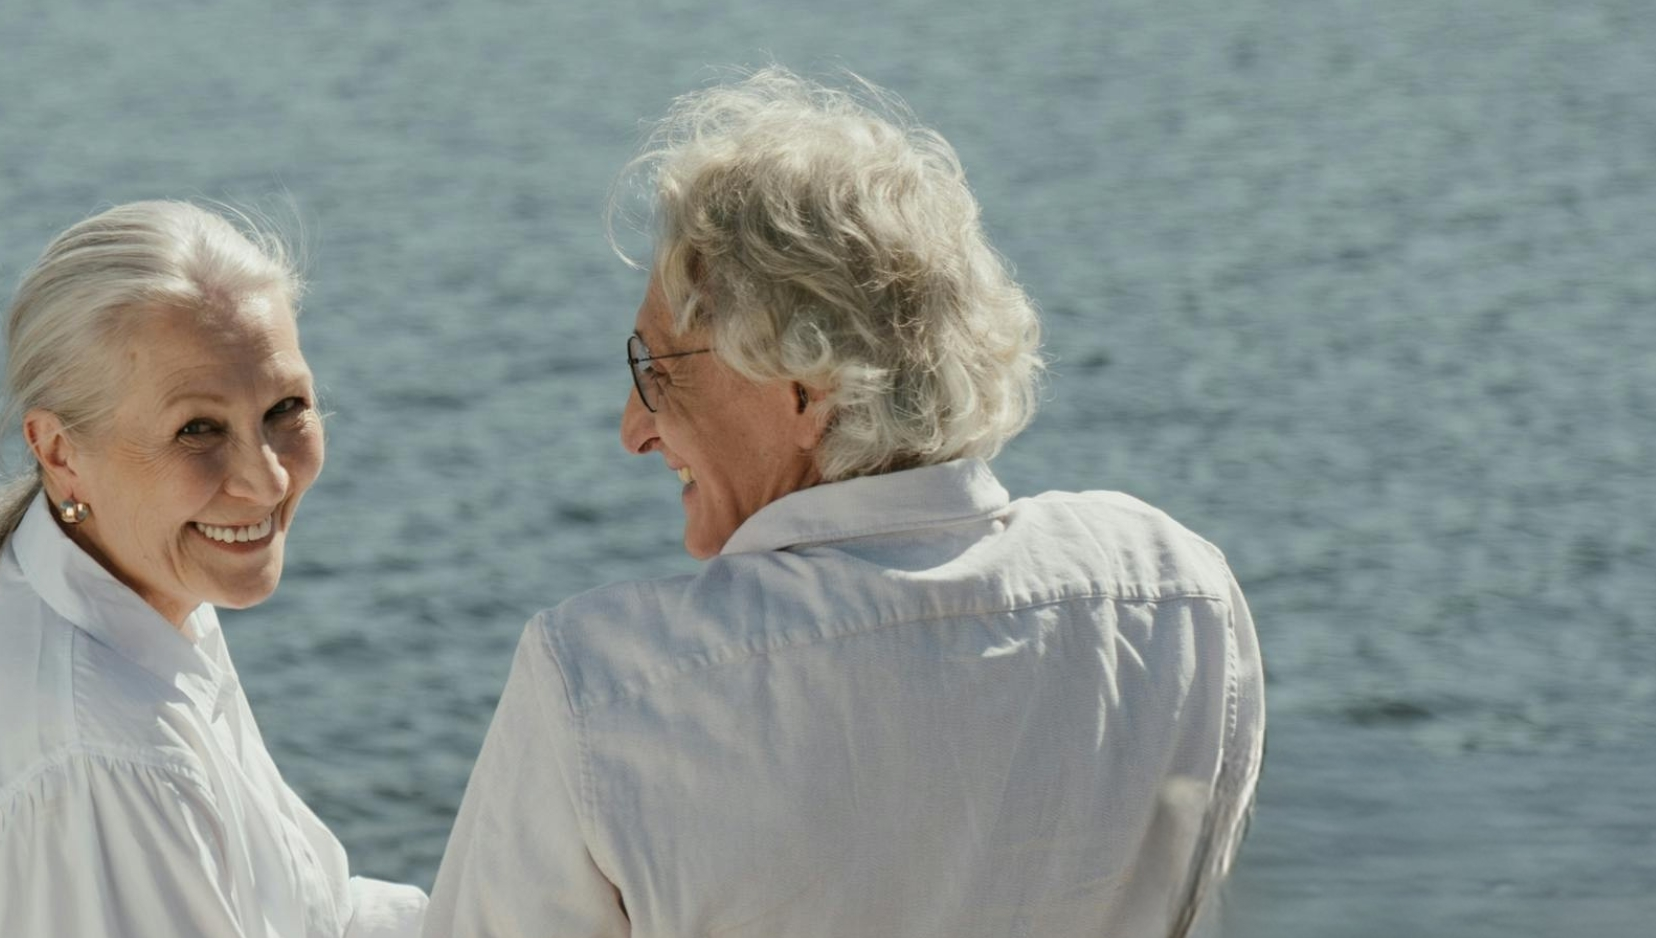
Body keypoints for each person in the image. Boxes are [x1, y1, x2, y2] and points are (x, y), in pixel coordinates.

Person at [424, 68, 1265, 937]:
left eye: (656, 367)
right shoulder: (1177, 599)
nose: (633, 428)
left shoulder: (605, 687)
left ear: (806, 385)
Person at [0, 201, 424, 937]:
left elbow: (311, 913)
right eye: (198, 428)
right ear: (58, 452)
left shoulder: (122, 603)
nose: (268, 478)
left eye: (286, 408)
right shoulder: (99, 759)